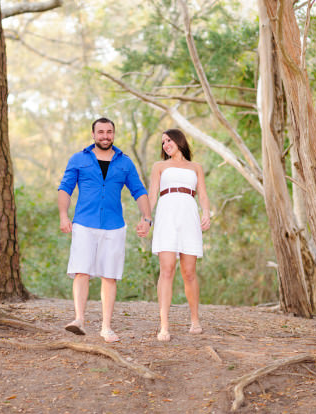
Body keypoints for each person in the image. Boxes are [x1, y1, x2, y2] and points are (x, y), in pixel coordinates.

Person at [57, 117, 152, 343]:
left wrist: (147, 218)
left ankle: (106, 327)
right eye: (101, 132)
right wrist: (63, 216)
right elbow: (65, 188)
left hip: (113, 226)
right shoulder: (79, 159)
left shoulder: (125, 162)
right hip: (83, 223)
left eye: (109, 132)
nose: (105, 136)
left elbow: (138, 190)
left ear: (113, 134)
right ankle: (79, 319)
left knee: (109, 276)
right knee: (82, 271)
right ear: (93, 134)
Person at [147, 129, 211, 342]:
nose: (166, 144)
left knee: (189, 271)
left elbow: (202, 193)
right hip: (167, 216)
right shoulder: (159, 167)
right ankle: (164, 326)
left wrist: (206, 213)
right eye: (163, 142)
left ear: (179, 140)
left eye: (169, 139)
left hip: (188, 216)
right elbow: (152, 195)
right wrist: (146, 219)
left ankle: (195, 320)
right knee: (166, 270)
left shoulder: (196, 168)